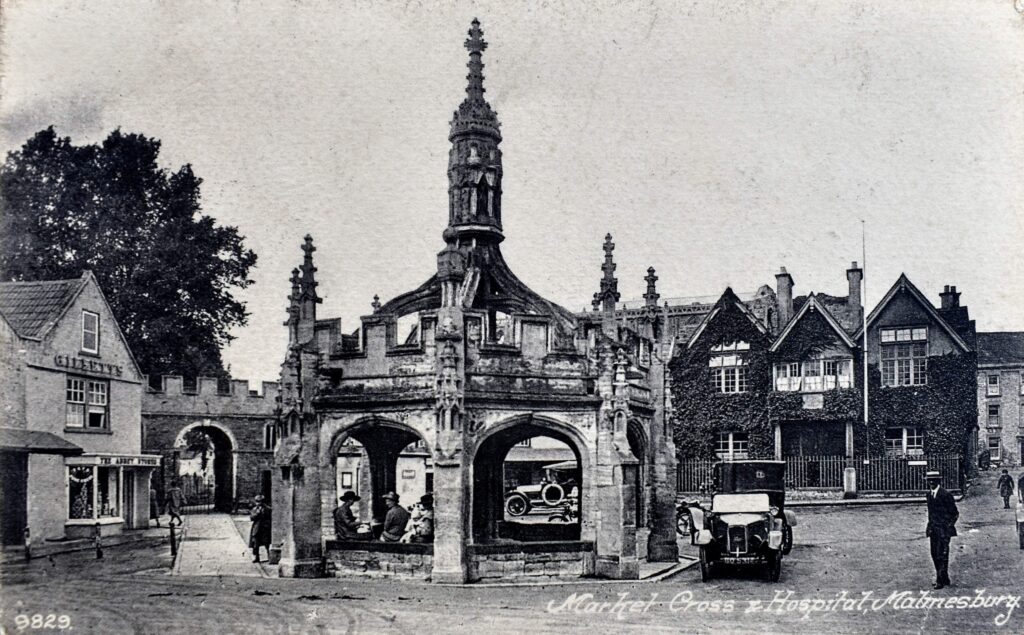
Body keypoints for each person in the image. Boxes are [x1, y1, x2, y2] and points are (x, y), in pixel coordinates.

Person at [925, 470, 959, 589]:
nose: (931, 482)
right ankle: (944, 577)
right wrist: (929, 527)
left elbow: (954, 513)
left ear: (939, 481)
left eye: (934, 480)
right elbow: (931, 513)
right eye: (929, 480)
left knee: (942, 554)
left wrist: (947, 527)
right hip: (933, 529)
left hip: (944, 530)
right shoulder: (929, 494)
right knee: (934, 554)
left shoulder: (945, 494)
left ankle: (940, 580)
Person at [249, 494, 272, 563]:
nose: (258, 503)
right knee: (256, 544)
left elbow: (270, 518)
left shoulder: (268, 509)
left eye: (260, 501)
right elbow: (251, 518)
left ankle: (270, 557)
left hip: (265, 528)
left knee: (267, 543)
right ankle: (257, 558)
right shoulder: (254, 509)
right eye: (257, 501)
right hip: (257, 528)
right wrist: (257, 513)